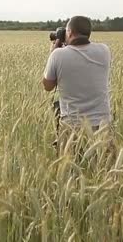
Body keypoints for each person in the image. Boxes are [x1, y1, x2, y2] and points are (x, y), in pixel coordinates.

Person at [42, 16, 112, 155]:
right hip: (102, 124)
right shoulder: (104, 50)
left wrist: (54, 49)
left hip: (71, 125)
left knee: (68, 171)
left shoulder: (58, 55)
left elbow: (48, 85)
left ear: (69, 32)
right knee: (104, 169)